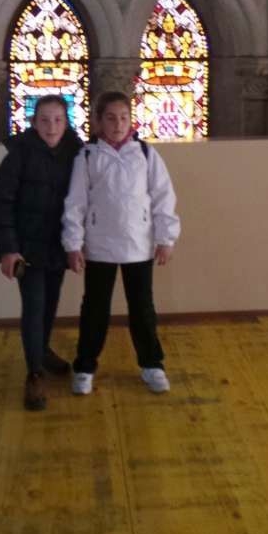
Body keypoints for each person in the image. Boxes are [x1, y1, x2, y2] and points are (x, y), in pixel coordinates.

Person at [62, 91, 181, 395]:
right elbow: (76, 202)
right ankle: (85, 367)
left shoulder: (145, 154)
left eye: (123, 118)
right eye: (111, 118)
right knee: (95, 308)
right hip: (99, 245)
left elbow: (163, 197)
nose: (118, 124)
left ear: (131, 120)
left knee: (142, 307)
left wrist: (166, 237)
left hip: (138, 244)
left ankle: (152, 365)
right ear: (99, 121)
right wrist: (73, 244)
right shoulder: (87, 157)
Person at [0, 95, 83, 411]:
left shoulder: (77, 153)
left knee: (50, 304)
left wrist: (79, 242)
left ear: (67, 122)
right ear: (33, 122)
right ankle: (34, 374)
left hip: (58, 246)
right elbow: (1, 204)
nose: (51, 127)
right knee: (34, 306)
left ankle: (41, 351)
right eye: (44, 120)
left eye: (58, 120)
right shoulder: (18, 155)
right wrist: (8, 250)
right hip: (27, 248)